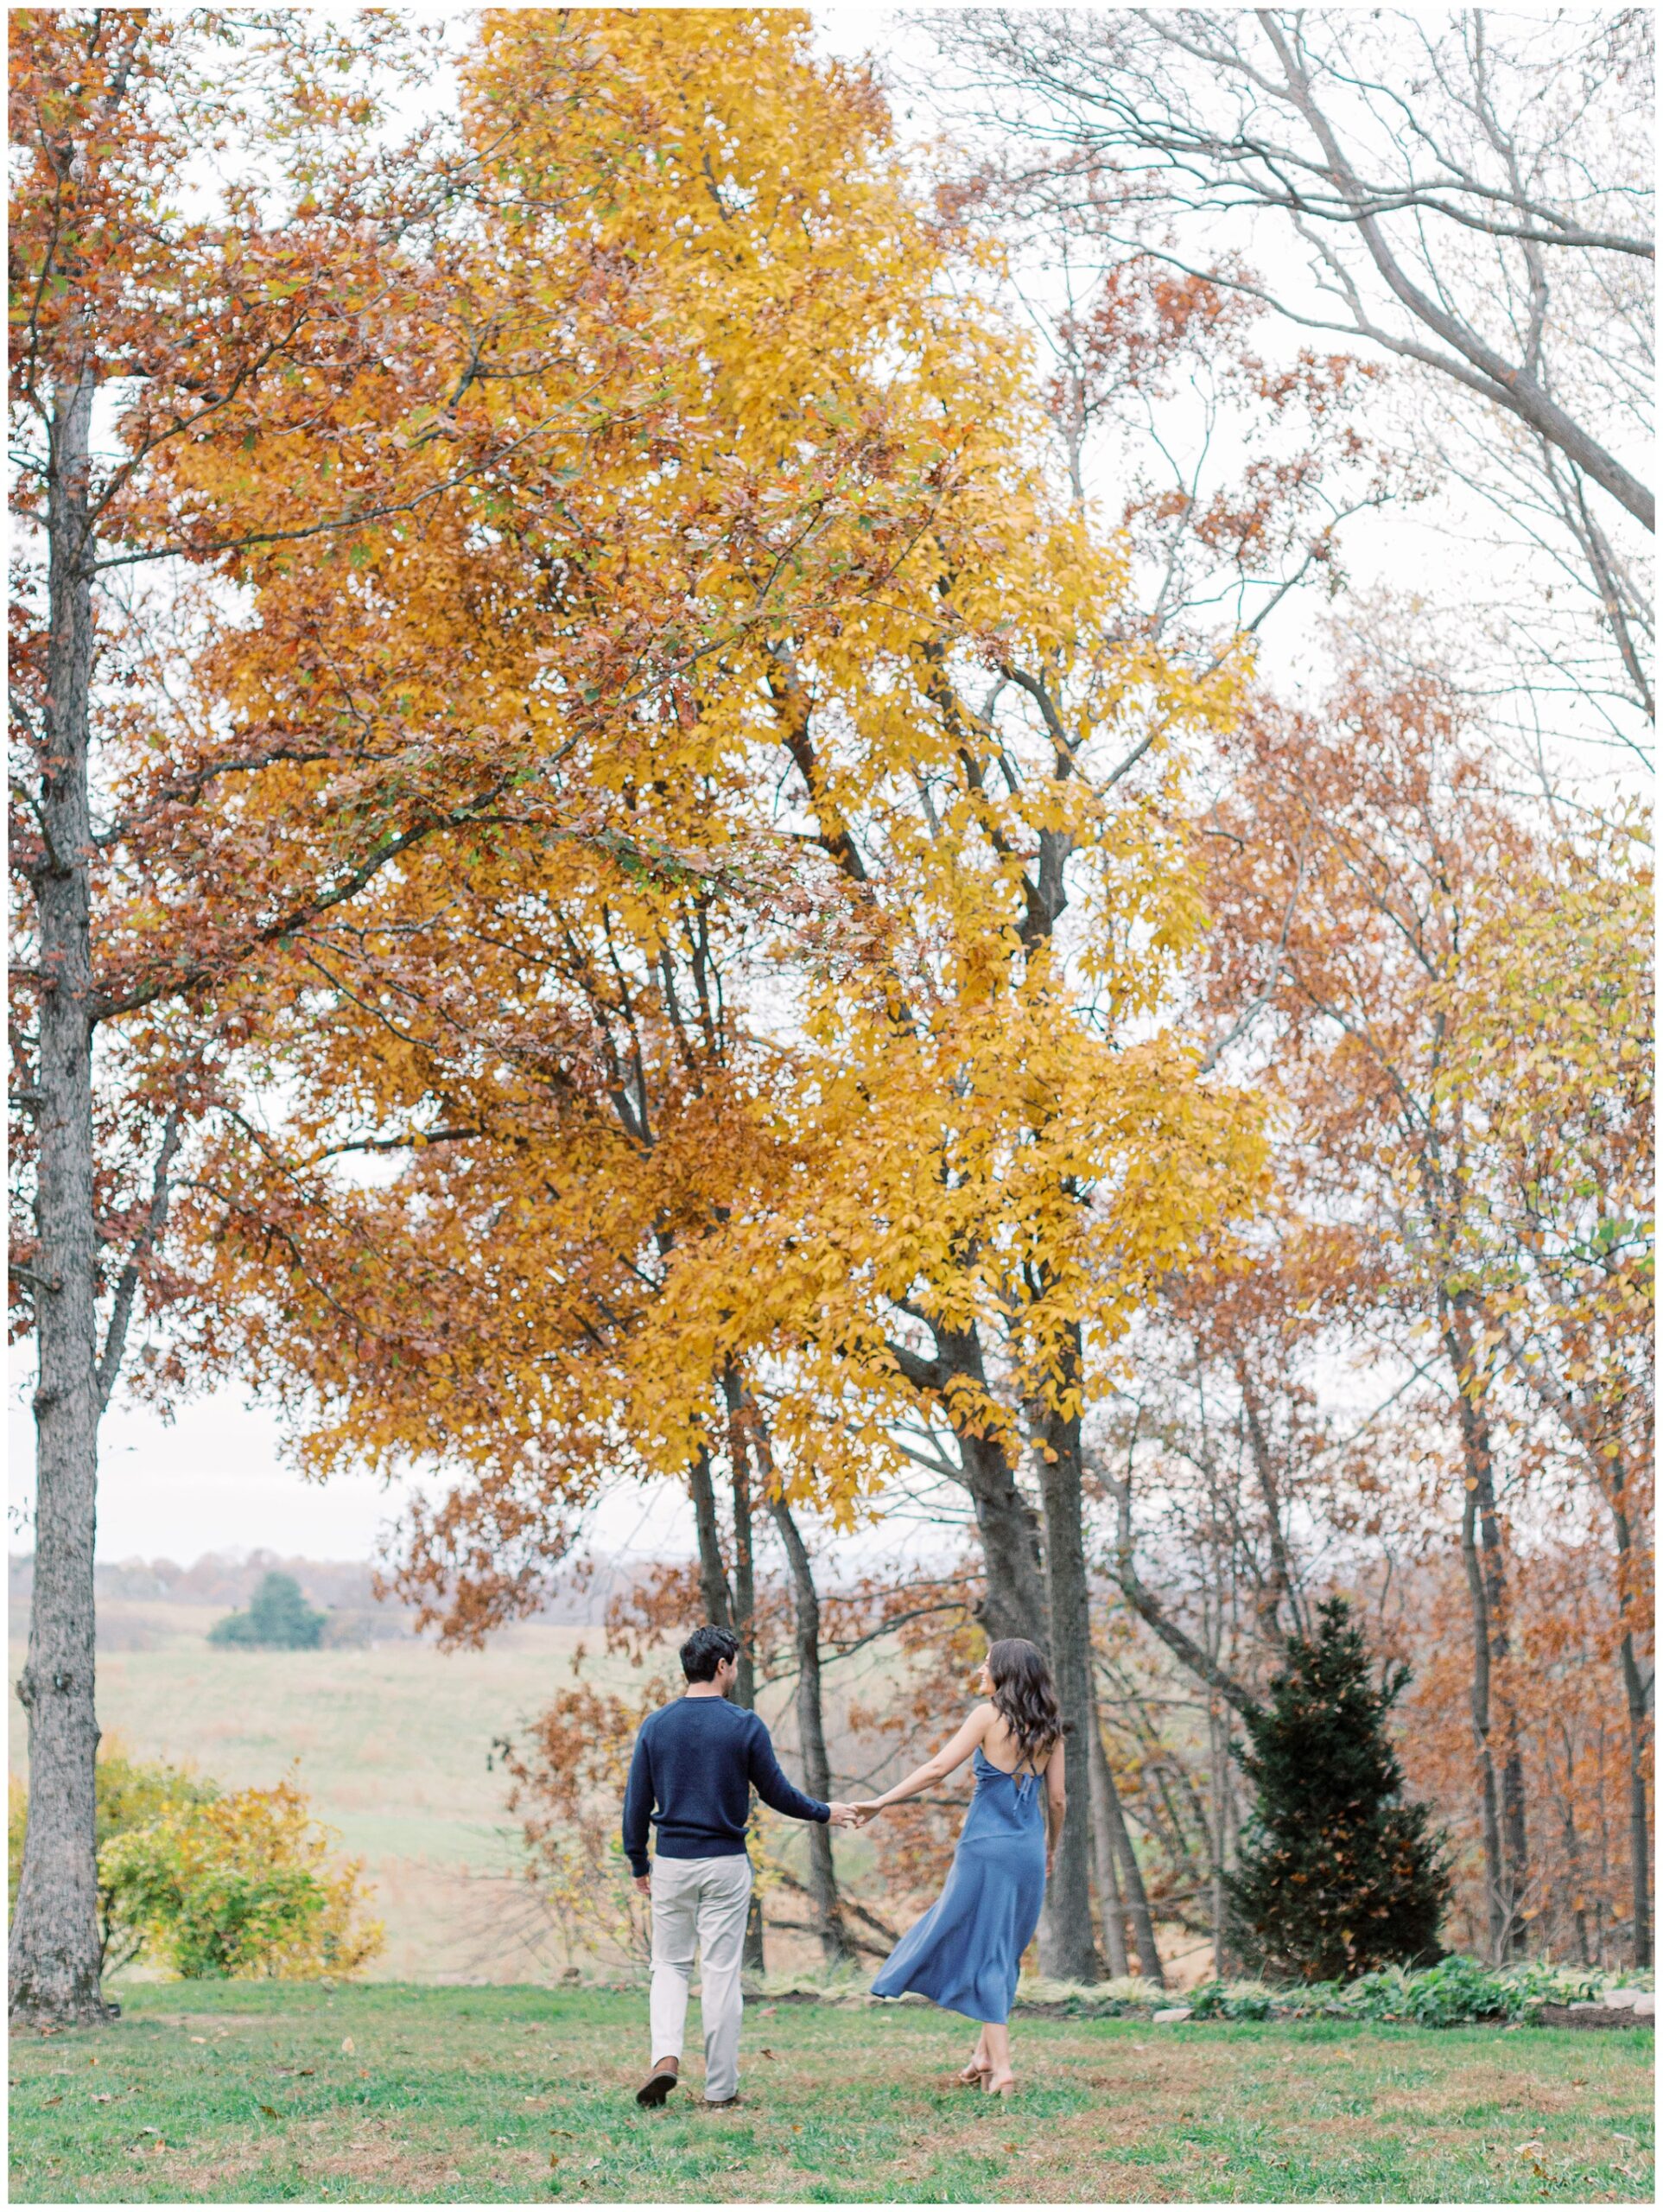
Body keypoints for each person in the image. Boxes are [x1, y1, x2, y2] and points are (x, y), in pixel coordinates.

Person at [622, 1624, 860, 2110]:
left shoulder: (656, 1726)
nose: (736, 1672)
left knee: (668, 1965)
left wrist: (637, 1861)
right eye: (735, 1664)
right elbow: (778, 1794)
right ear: (721, 1666)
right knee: (720, 1973)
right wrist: (826, 1811)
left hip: (672, 1862)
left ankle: (665, 2058)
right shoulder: (743, 1725)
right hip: (726, 1865)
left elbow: (635, 1804)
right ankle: (720, 2090)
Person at [854, 1637, 1065, 2095]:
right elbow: (1058, 1799)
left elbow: (936, 1769)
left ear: (1006, 1672)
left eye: (986, 1663)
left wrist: (881, 1801)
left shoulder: (988, 1716)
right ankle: (983, 2057)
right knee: (1002, 1949)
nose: (979, 1669)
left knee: (981, 1947)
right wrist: (1051, 1847)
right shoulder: (1050, 1728)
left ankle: (1003, 2067)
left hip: (984, 1849)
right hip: (1026, 1851)